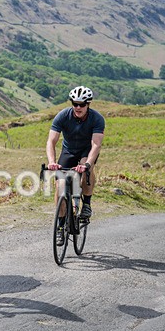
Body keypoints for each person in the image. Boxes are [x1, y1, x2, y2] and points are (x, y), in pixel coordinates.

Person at [46, 86, 105, 245]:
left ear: (88, 104)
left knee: (87, 171)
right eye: (75, 103)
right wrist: (52, 162)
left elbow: (96, 145)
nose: (78, 107)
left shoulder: (97, 119)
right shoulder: (63, 116)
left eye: (82, 104)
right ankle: (60, 227)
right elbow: (51, 141)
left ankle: (86, 203)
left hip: (86, 151)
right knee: (60, 184)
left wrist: (86, 164)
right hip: (68, 151)